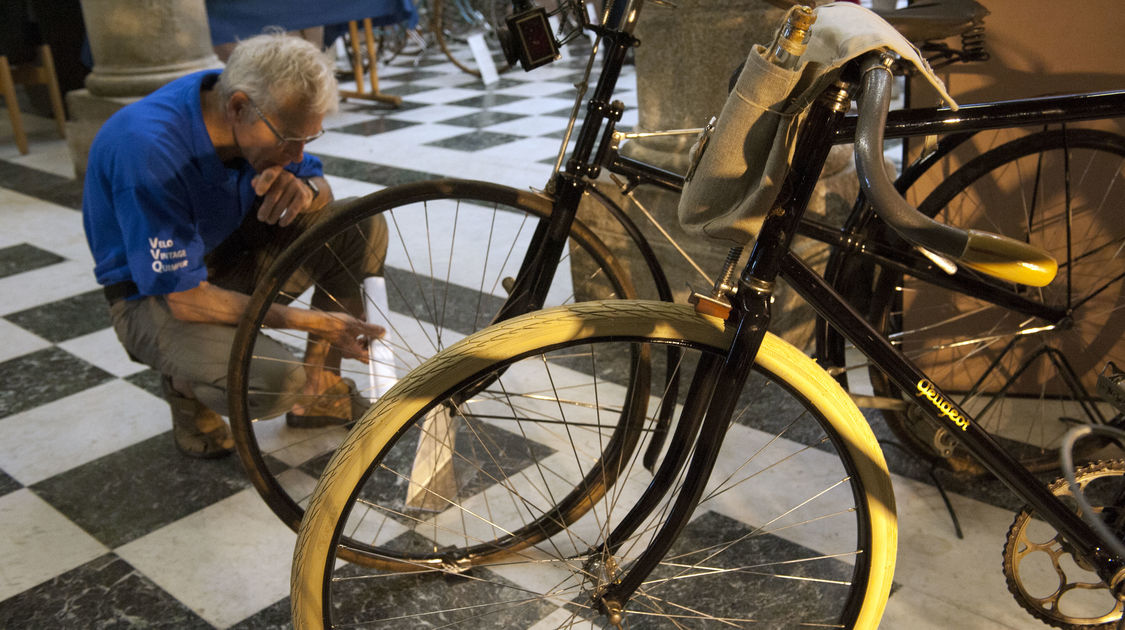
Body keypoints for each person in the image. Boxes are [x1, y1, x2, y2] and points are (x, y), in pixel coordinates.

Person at [82, 31, 388, 459]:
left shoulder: (254, 98)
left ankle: (320, 389)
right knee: (275, 382)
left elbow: (319, 183)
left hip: (228, 253)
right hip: (152, 298)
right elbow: (185, 300)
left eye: (309, 140)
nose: (299, 154)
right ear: (239, 107)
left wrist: (306, 188)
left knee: (359, 222)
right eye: (289, 141)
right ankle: (183, 384)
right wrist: (316, 322)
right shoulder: (148, 151)